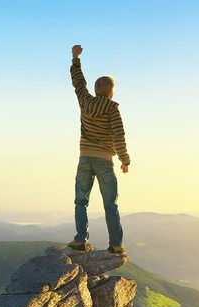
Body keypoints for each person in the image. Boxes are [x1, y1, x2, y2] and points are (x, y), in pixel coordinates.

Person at [67, 44, 130, 254]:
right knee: (110, 205)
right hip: (104, 160)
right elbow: (118, 135)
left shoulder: (85, 101)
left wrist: (75, 58)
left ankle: (80, 239)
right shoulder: (112, 108)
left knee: (80, 201)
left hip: (85, 158)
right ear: (111, 93)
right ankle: (116, 244)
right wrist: (124, 159)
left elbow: (78, 82)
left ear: (95, 91)